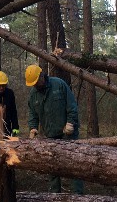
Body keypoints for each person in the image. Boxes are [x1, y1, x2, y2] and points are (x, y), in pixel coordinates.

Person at [26, 64, 84, 195]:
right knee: (52, 167)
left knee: (74, 164)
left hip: (68, 133)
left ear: (42, 76)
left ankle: (78, 195)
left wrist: (71, 123)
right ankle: (54, 195)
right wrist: (33, 128)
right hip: (51, 134)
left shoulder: (59, 84)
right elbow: (32, 113)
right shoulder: (33, 94)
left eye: (36, 82)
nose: (35, 85)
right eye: (32, 83)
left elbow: (72, 106)